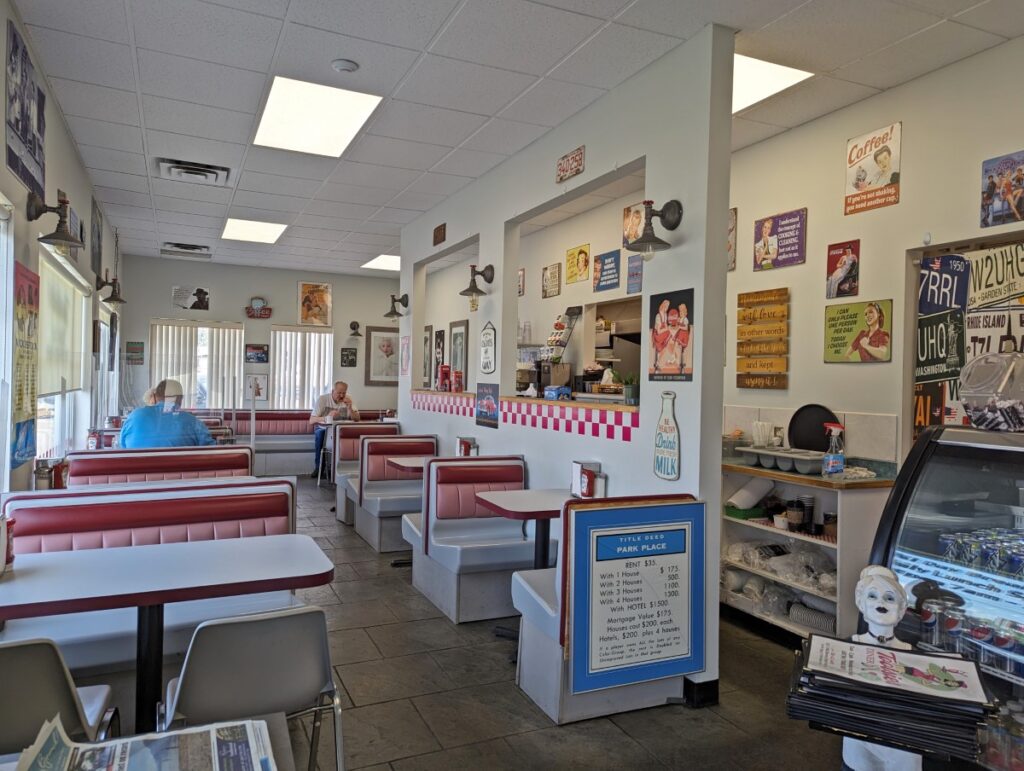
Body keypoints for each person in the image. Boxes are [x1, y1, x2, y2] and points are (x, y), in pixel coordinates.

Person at [120, 379, 215, 448]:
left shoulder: (134, 417)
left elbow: (122, 447)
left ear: (155, 397)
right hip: (180, 475)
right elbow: (210, 452)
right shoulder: (194, 423)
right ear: (180, 399)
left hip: (138, 474)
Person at [309, 380, 360, 477]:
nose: (341, 396)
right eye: (339, 393)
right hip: (324, 429)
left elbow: (357, 419)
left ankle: (344, 468)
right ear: (333, 391)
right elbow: (311, 420)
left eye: (343, 393)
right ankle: (319, 468)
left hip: (341, 430)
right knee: (320, 434)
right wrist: (327, 417)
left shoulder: (348, 399)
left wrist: (349, 408)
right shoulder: (323, 399)